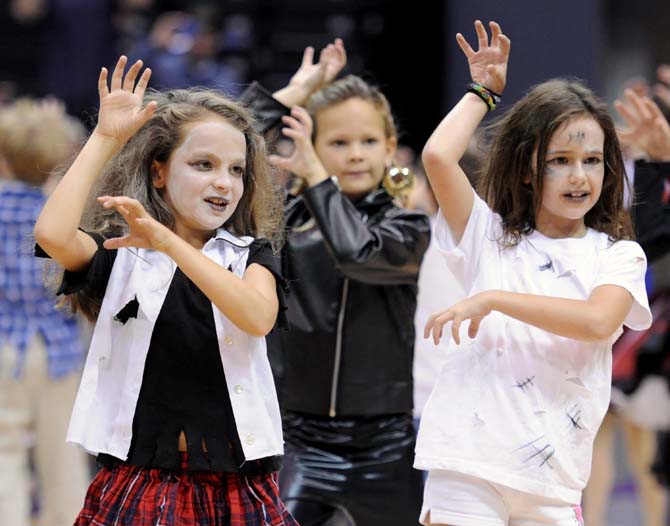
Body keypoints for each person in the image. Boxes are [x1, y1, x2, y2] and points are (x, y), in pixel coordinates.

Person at [33, 55, 297, 526]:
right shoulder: (124, 252)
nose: (224, 182)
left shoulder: (250, 253)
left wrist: (168, 241)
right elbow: (52, 234)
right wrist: (105, 138)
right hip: (139, 476)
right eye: (203, 164)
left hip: (236, 480)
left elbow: (257, 317)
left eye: (237, 171)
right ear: (159, 173)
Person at [415, 21, 653, 526]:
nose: (579, 176)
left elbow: (594, 322)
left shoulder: (618, 255)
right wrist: (483, 91)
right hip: (468, 469)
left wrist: (494, 299)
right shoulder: (487, 235)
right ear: (528, 168)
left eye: (593, 160)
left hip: (554, 481)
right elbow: (437, 156)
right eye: (560, 161)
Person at [241, 41, 430, 526]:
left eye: (368, 141)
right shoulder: (283, 218)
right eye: (339, 143)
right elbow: (223, 141)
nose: (355, 155)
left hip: (387, 444)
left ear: (391, 147)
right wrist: (293, 93)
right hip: (297, 438)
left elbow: (357, 252)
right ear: (310, 147)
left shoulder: (410, 227)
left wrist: (317, 180)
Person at [582, 88, 670, 526]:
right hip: (603, 319)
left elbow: (654, 240)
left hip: (648, 325)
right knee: (596, 439)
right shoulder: (591, 180)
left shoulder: (650, 175)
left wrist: (659, 161)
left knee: (644, 440)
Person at [0, 98, 89, 526]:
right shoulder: (57, 214)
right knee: (63, 455)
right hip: (58, 349)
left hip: (3, 347)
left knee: (5, 455)